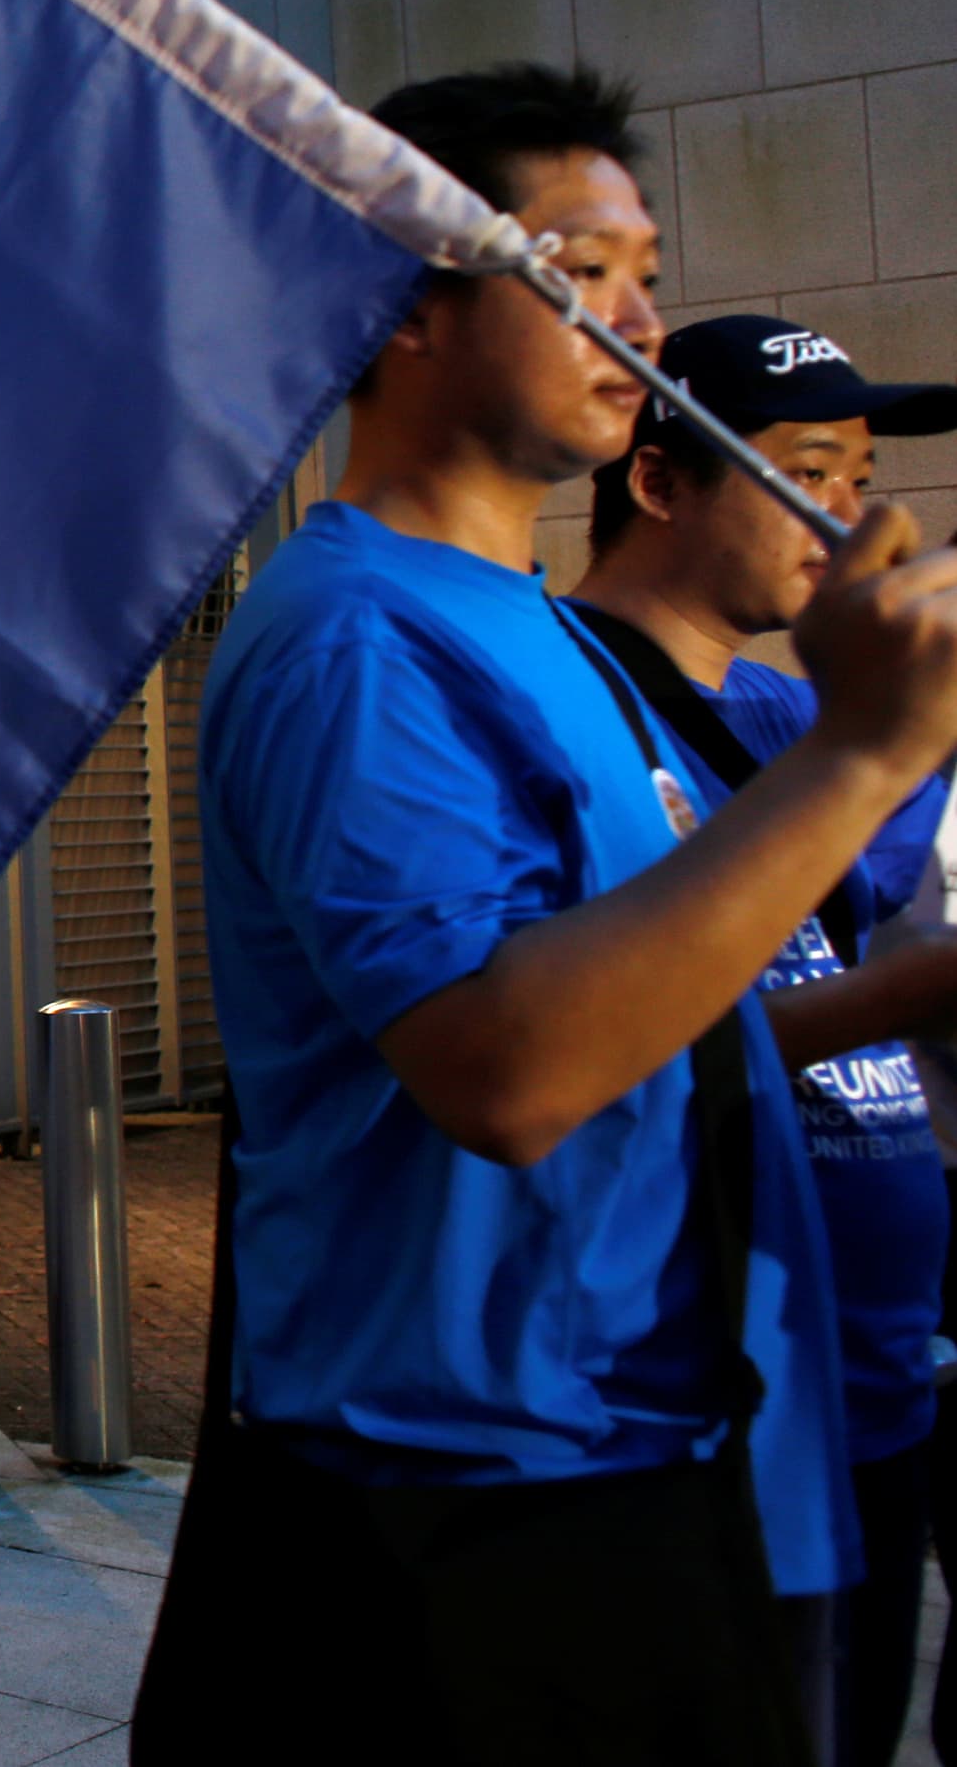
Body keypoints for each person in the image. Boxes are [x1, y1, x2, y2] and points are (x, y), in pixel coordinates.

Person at [129, 64, 957, 1766]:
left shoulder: (545, 635)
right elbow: (503, 1069)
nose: (642, 321)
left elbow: (667, 1021)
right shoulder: (354, 636)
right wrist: (869, 755)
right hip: (474, 1496)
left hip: (652, 1442)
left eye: (645, 268)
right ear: (399, 295)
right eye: (579, 270)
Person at [566, 315, 957, 1766]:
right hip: (712, 1408)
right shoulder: (566, 701)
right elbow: (610, 1033)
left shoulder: (799, 705)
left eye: (863, 477)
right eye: (810, 473)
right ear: (660, 481)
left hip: (883, 1376)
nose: (850, 522)